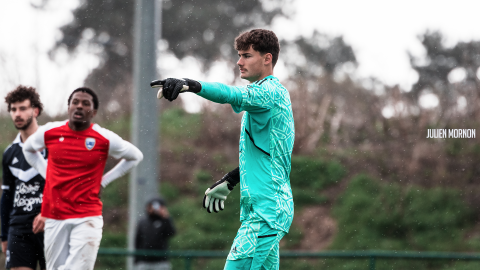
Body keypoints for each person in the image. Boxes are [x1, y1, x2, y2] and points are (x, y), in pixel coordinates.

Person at [151, 29, 295, 270]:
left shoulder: (270, 92)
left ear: (267, 58)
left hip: (266, 213)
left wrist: (191, 85)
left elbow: (230, 93)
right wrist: (231, 179)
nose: (239, 62)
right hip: (264, 210)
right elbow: (266, 156)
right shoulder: (265, 97)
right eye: (239, 55)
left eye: (247, 55)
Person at [23, 87, 144, 270]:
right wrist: (47, 173)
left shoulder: (104, 138)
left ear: (93, 112)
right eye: (75, 102)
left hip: (87, 215)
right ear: (69, 107)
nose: (79, 106)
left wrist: (104, 180)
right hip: (54, 215)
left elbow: (135, 156)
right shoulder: (50, 131)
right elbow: (28, 149)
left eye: (85, 104)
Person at [1, 86, 47, 270]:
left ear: (35, 111)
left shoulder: (53, 144)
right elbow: (6, 196)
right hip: (18, 229)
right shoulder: (9, 153)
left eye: (22, 108)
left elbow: (63, 187)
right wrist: (4, 235)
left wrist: (48, 212)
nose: (17, 114)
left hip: (50, 225)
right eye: (13, 109)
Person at [134, 198, 176, 270]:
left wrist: (166, 217)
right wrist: (137, 259)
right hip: (144, 261)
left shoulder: (164, 221)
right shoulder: (143, 222)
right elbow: (137, 241)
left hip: (161, 261)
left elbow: (171, 233)